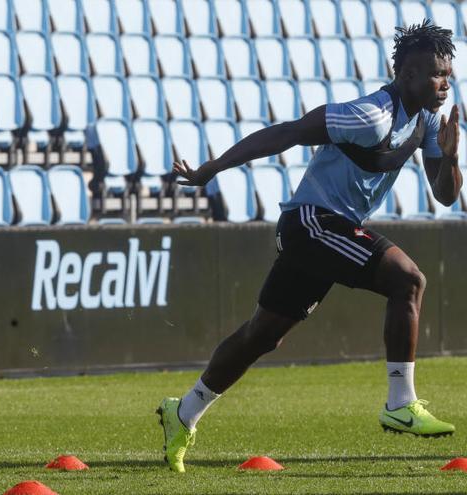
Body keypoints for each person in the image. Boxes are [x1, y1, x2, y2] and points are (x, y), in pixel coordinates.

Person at [157, 21, 462, 473]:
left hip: (333, 230)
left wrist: (451, 157)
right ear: (407, 75)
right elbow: (287, 133)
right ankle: (401, 402)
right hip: (309, 223)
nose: (445, 82)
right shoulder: (369, 115)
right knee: (408, 279)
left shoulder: (430, 119)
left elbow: (446, 195)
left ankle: (182, 412)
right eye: (437, 73)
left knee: (263, 336)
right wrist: (212, 168)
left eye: (449, 74)